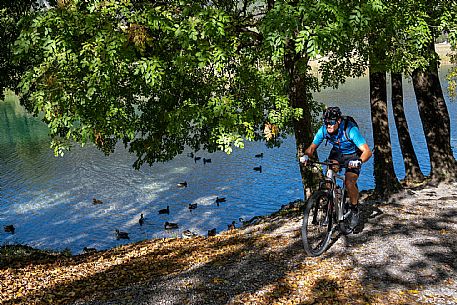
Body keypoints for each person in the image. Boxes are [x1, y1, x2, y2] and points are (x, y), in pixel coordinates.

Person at [300, 106, 372, 229]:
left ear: (338, 121)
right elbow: (312, 147)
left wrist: (359, 161)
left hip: (353, 155)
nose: (328, 125)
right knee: (329, 177)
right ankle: (334, 200)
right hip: (337, 153)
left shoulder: (350, 130)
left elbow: (367, 151)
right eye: (326, 122)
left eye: (331, 122)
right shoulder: (323, 130)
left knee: (349, 182)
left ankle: (354, 209)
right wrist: (306, 156)